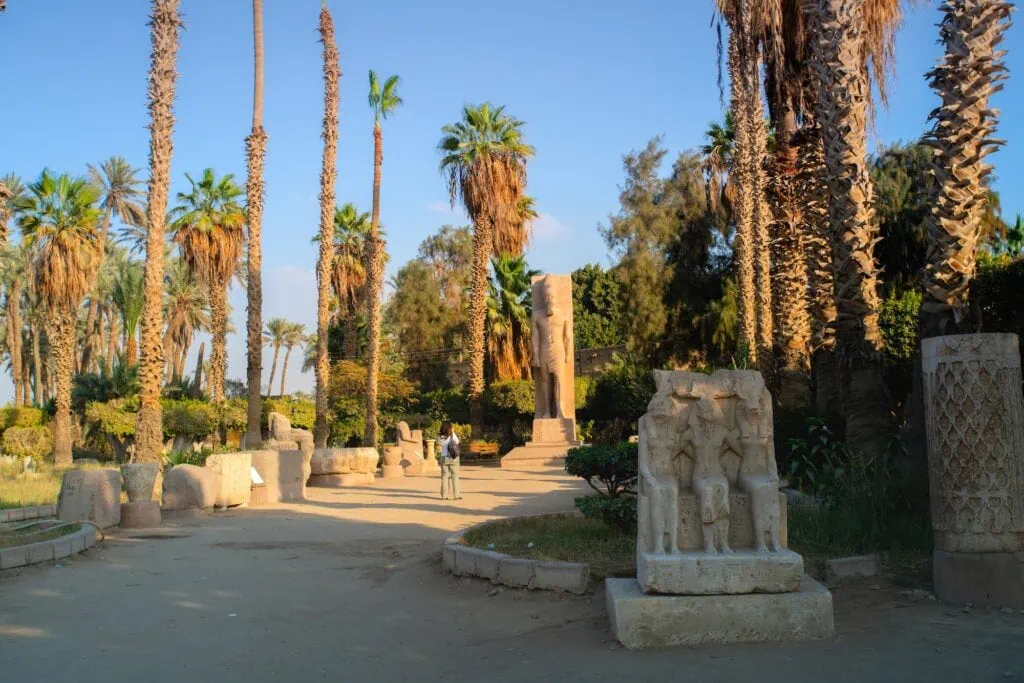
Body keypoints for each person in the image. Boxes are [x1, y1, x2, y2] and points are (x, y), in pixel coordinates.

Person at [438, 421, 461, 500]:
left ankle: (444, 495)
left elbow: (440, 444)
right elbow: (457, 442)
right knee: (455, 475)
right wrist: (453, 432)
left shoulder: (440, 436)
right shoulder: (452, 435)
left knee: (444, 476)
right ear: (450, 428)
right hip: (453, 457)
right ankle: (456, 495)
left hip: (444, 457)